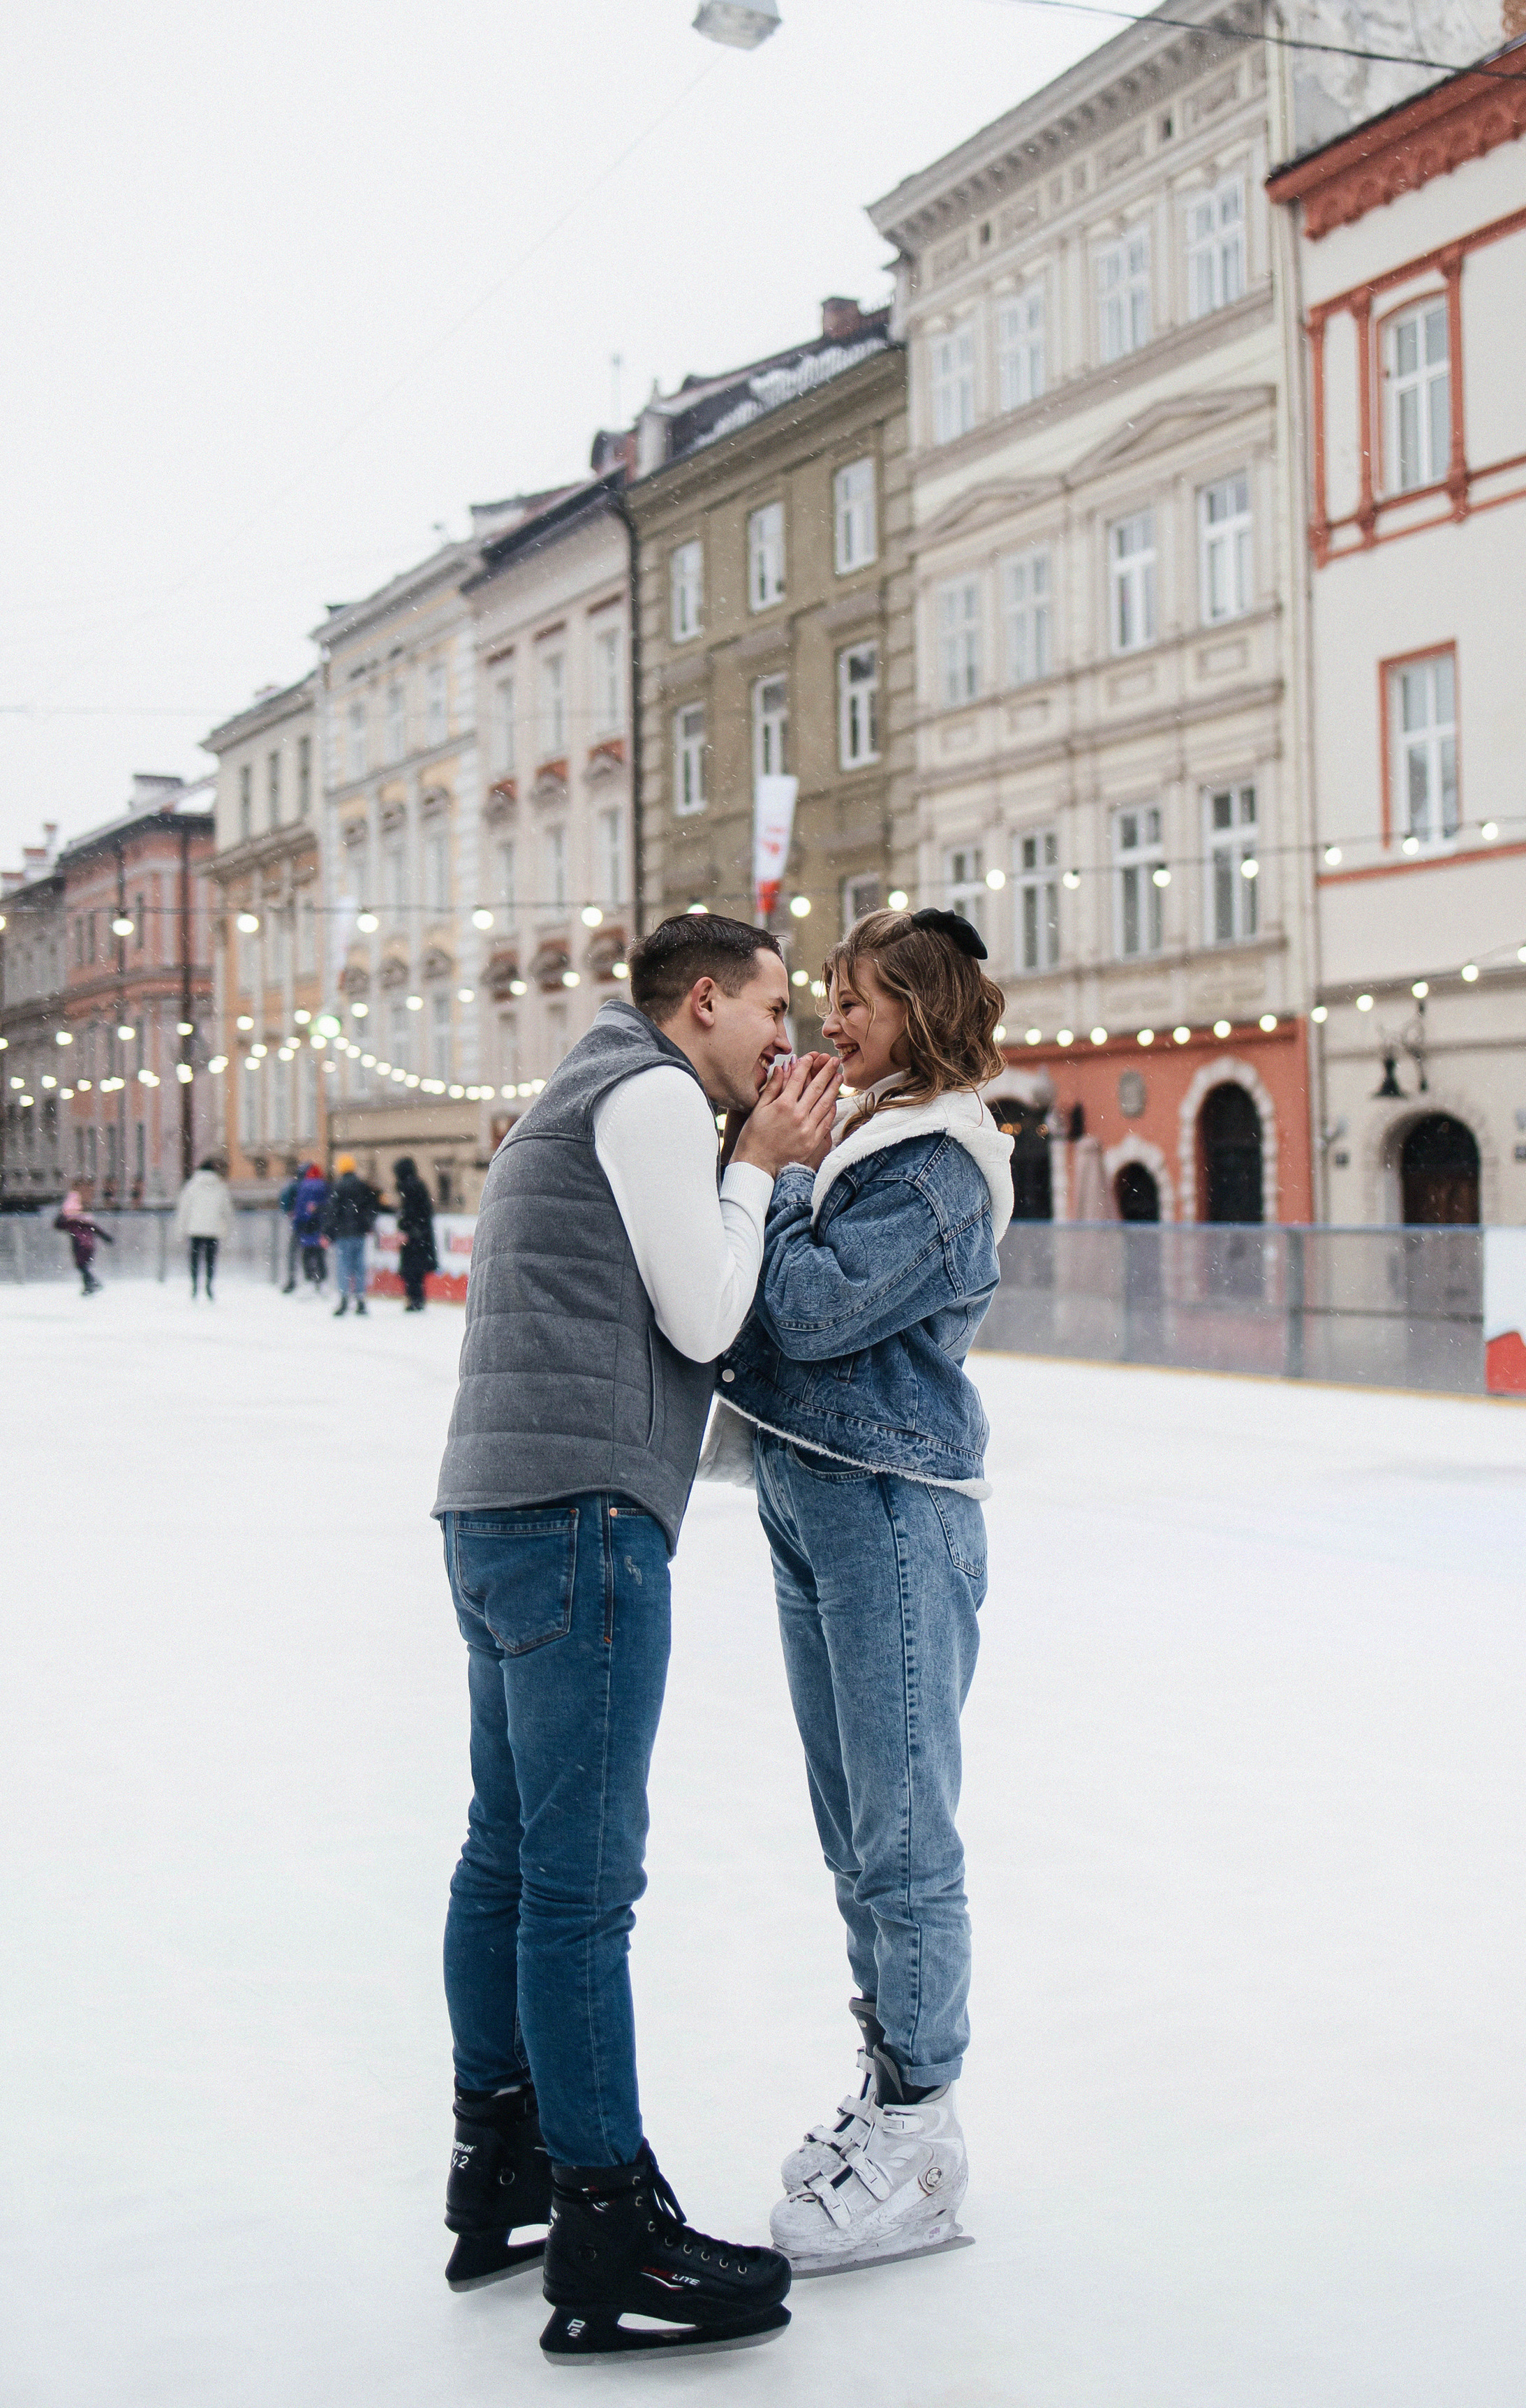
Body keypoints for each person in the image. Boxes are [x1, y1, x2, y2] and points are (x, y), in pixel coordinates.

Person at [431, 913, 840, 2360]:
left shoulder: (572, 1088)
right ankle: (607, 2232)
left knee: (508, 1857)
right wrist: (760, 1173)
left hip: (491, 1510)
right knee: (578, 1890)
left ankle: (505, 2170)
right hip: (581, 1522)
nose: (783, 1038)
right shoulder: (659, 1094)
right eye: (773, 1007)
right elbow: (706, 1307)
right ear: (705, 1000)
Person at [706, 906, 1012, 2277]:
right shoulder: (871, 1129)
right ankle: (887, 2087)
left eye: (860, 999)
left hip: (888, 1507)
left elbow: (816, 1313)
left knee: (900, 1838)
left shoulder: (940, 1163)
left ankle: (922, 2135)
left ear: (927, 1014)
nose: (833, 1020)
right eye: (830, 994)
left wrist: (773, 1178)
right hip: (810, 1490)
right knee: (849, 1830)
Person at [322, 1153, 383, 1315]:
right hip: (359, 1233)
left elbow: (332, 1211)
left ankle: (344, 1299)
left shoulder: (338, 1187)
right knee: (359, 1266)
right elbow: (372, 1206)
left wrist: (327, 1232)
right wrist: (368, 1224)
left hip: (343, 1233)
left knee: (343, 1266)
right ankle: (361, 1300)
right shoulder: (362, 1186)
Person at [173, 1155, 234, 1300]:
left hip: (195, 1229)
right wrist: (228, 1228)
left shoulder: (191, 1186)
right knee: (210, 1260)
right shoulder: (220, 1187)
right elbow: (227, 1211)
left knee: (195, 1258)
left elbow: (184, 1210)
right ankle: (209, 1284)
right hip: (213, 1230)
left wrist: (181, 1230)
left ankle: (195, 1284)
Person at [392, 1155, 437, 1312]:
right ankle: (418, 1299)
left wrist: (406, 1230)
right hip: (421, 1235)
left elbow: (409, 1212)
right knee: (417, 1270)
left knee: (411, 1269)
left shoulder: (409, 1187)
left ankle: (414, 1299)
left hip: (414, 1236)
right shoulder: (418, 1185)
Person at [54, 1182, 112, 1295]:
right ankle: (90, 1285)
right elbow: (96, 1229)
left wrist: (61, 1215)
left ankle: (92, 1284)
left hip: (80, 1244)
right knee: (83, 1266)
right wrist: (107, 1238)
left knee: (81, 1266)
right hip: (88, 1245)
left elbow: (58, 1225)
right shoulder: (84, 1220)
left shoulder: (72, 1222)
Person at [291, 1162, 330, 1292]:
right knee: (320, 1255)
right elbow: (329, 1206)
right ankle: (322, 1281)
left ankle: (310, 1280)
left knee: (307, 1255)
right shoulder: (325, 1186)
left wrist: (297, 1225)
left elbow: (300, 1209)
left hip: (306, 1227)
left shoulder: (303, 1187)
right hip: (320, 1227)